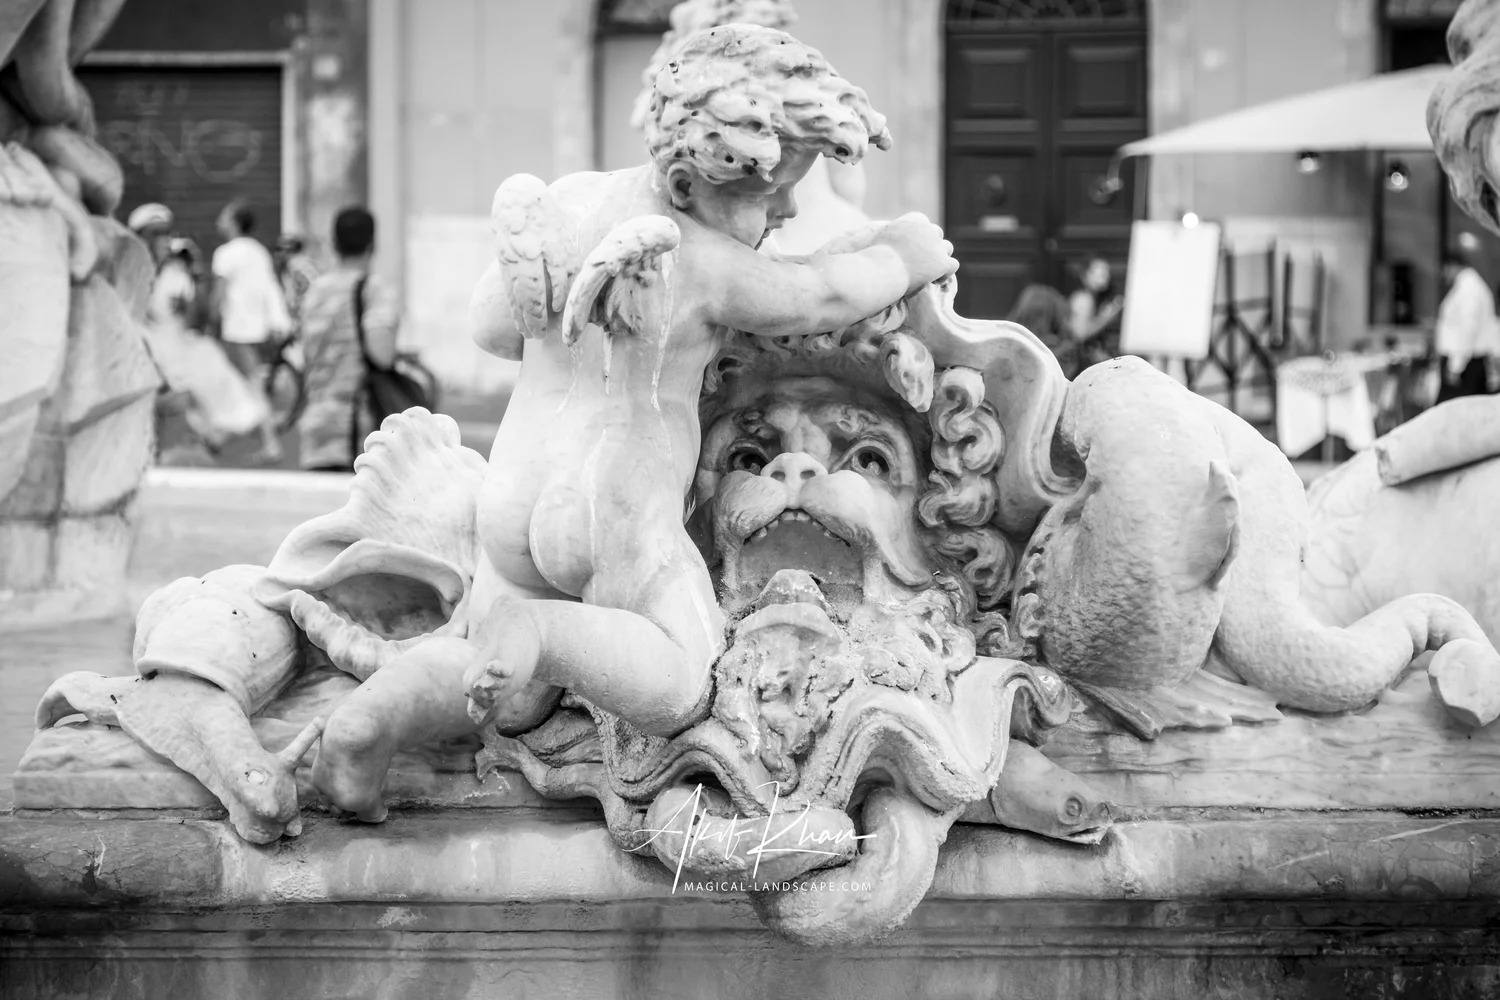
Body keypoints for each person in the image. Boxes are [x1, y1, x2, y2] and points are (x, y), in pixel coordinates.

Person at [128, 203, 269, 457]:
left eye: (166, 232)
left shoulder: (177, 274)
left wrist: (196, 273)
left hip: (175, 351)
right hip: (141, 353)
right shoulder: (128, 273)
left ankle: (208, 435)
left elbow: (196, 320)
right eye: (155, 233)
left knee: (208, 366)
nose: (163, 239)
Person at [295, 206, 399, 473]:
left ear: (334, 243)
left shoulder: (315, 292)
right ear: (372, 244)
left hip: (315, 428)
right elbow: (382, 354)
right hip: (356, 431)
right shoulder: (373, 289)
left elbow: (306, 353)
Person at [211, 200, 291, 464]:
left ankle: (270, 443)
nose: (219, 220)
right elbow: (270, 288)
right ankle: (220, 434)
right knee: (242, 381)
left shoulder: (226, 254)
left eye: (224, 216)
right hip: (259, 329)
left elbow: (218, 295)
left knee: (252, 385)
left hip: (237, 329)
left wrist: (210, 322)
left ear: (234, 223)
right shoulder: (259, 251)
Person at [1434, 252, 1500, 403]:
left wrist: (1455, 366)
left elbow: (1468, 330)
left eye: (1445, 270)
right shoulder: (1467, 286)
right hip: (1466, 362)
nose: (1444, 275)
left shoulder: (1470, 289)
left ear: (1452, 266)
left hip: (1466, 365)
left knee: (1454, 412)